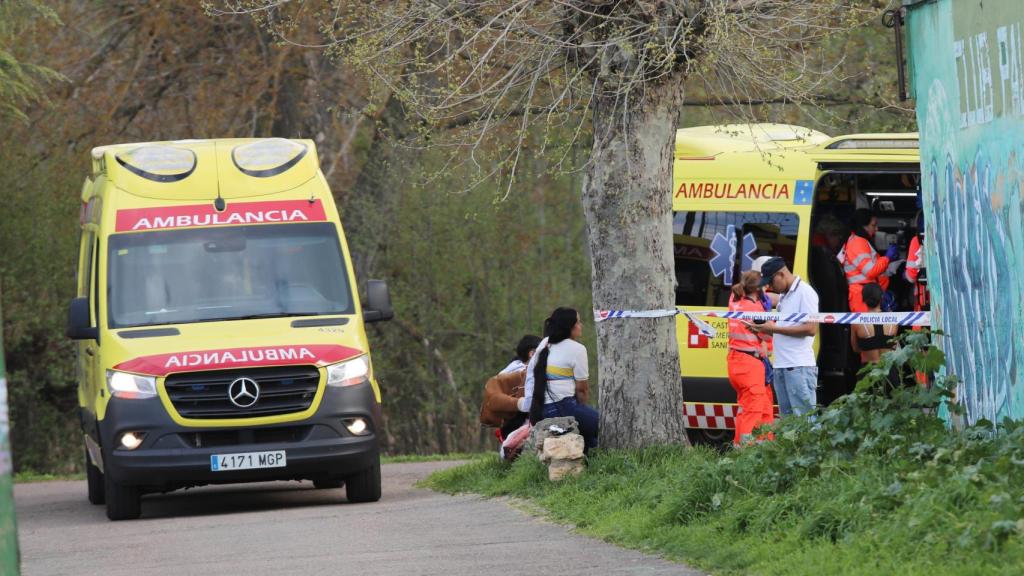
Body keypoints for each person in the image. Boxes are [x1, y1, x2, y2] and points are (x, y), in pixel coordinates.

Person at [745, 257, 820, 416]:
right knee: (788, 423)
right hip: (781, 365)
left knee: (805, 421)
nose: (770, 287)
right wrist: (761, 329)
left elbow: (811, 328)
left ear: (781, 274)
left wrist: (773, 329)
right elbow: (784, 329)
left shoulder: (805, 292)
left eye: (771, 282)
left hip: (798, 366)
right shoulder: (784, 296)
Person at [518, 307, 599, 451]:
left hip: (542, 410)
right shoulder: (577, 349)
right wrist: (582, 410)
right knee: (603, 424)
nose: (581, 326)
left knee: (590, 436)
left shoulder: (544, 345)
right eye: (578, 322)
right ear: (570, 327)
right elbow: (582, 390)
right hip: (565, 407)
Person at [726, 270, 775, 445]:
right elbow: (768, 336)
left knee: (747, 408)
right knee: (754, 409)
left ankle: (740, 445)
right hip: (750, 363)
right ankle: (748, 449)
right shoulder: (756, 309)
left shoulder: (734, 299)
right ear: (759, 288)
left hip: (735, 360)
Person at [842, 209, 898, 312]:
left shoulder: (861, 241)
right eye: (873, 225)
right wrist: (887, 258)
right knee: (865, 328)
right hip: (861, 297)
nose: (876, 229)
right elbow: (871, 271)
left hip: (867, 294)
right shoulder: (857, 243)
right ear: (863, 226)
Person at [850, 283, 897, 364]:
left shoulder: (856, 322)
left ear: (863, 299)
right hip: (889, 370)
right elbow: (894, 346)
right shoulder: (893, 320)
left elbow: (856, 349)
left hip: (868, 371)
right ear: (882, 297)